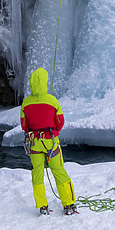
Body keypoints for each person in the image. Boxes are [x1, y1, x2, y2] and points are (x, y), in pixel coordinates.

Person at [19, 67, 78, 216]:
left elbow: (24, 126)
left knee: (37, 174)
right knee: (59, 171)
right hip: (51, 142)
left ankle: (42, 206)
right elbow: (60, 122)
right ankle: (68, 204)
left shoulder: (26, 103)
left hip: (34, 144)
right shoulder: (52, 101)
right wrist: (53, 131)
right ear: (45, 82)